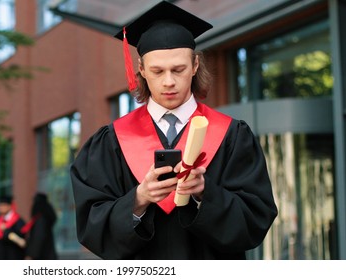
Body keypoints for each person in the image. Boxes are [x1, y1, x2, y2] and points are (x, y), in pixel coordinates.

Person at [70, 1, 278, 260]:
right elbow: (91, 225)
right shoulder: (111, 141)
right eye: (157, 71)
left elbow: (255, 219)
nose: (169, 81)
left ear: (195, 65)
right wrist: (137, 199)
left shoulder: (232, 136)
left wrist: (205, 193)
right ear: (142, 69)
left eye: (178, 69)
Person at [0, 194, 27, 260]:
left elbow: (22, 241)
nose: (0, 207)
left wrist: (6, 230)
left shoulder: (18, 221)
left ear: (9, 206)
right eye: (0, 205)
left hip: (14, 256)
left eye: (3, 205)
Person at [24, 193, 58, 260]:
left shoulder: (41, 219)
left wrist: (31, 255)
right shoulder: (45, 218)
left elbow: (38, 237)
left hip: (41, 256)